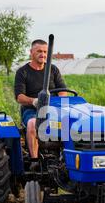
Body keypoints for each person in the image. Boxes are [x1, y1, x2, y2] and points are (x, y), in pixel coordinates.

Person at [14, 39, 67, 170]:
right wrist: (34, 101)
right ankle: (34, 160)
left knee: (71, 122)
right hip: (32, 110)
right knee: (33, 123)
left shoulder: (53, 70)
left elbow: (63, 91)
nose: (43, 54)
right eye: (39, 51)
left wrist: (58, 103)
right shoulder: (23, 72)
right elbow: (19, 97)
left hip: (53, 109)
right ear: (31, 52)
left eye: (45, 52)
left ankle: (66, 158)